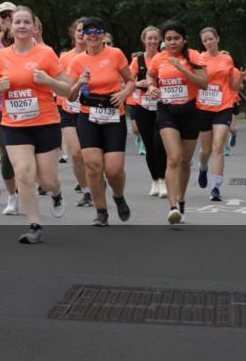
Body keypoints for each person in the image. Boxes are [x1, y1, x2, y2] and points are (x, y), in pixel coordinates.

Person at [0, 6, 69, 244]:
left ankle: (56, 193)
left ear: (34, 27)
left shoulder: (46, 53)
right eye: (17, 22)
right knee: (23, 173)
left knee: (47, 180)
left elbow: (66, 90)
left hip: (45, 122)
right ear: (10, 28)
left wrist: (49, 80)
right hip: (14, 124)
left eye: (26, 22)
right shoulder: (1, 56)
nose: (22, 26)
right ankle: (34, 224)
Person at [65, 17, 136, 226]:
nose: (93, 34)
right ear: (83, 36)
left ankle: (118, 196)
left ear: (103, 35)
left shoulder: (115, 54)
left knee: (113, 170)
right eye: (88, 31)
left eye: (97, 31)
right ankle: (101, 211)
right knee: (93, 167)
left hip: (114, 116)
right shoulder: (77, 61)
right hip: (88, 117)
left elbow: (131, 81)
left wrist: (124, 94)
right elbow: (69, 96)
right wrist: (79, 82)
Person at [145, 21, 208, 224]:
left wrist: (183, 69)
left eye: (176, 38)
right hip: (167, 111)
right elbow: (150, 75)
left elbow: (203, 82)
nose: (172, 42)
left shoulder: (194, 56)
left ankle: (181, 201)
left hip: (190, 111)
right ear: (164, 41)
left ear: (184, 40)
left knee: (184, 162)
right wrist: (152, 86)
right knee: (173, 158)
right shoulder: (158, 58)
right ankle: (172, 208)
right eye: (169, 39)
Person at [195, 28, 246, 202]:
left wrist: (240, 77)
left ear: (218, 39)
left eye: (211, 39)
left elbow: (233, 87)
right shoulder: (198, 59)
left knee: (219, 146)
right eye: (205, 41)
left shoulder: (227, 59)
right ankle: (203, 167)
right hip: (203, 107)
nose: (209, 43)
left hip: (223, 106)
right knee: (206, 150)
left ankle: (216, 187)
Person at [129, 26, 168, 197]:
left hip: (162, 106)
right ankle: (155, 180)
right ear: (143, 40)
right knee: (149, 145)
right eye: (149, 38)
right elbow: (127, 82)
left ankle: (164, 180)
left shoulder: (164, 59)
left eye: (155, 38)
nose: (153, 41)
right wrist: (139, 84)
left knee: (160, 144)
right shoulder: (137, 61)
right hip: (143, 107)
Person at [0, 1, 20, 214]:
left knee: (28, 154)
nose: (6, 19)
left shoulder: (30, 40)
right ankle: (12, 196)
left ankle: (28, 186)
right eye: (3, 16)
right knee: (7, 155)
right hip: (0, 105)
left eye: (11, 15)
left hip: (28, 103)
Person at [58, 18, 90, 206]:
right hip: (69, 109)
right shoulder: (64, 58)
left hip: (91, 110)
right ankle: (86, 191)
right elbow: (60, 82)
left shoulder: (97, 56)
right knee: (76, 154)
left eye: (85, 30)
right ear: (73, 33)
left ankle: (94, 178)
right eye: (78, 30)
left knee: (92, 155)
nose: (81, 33)